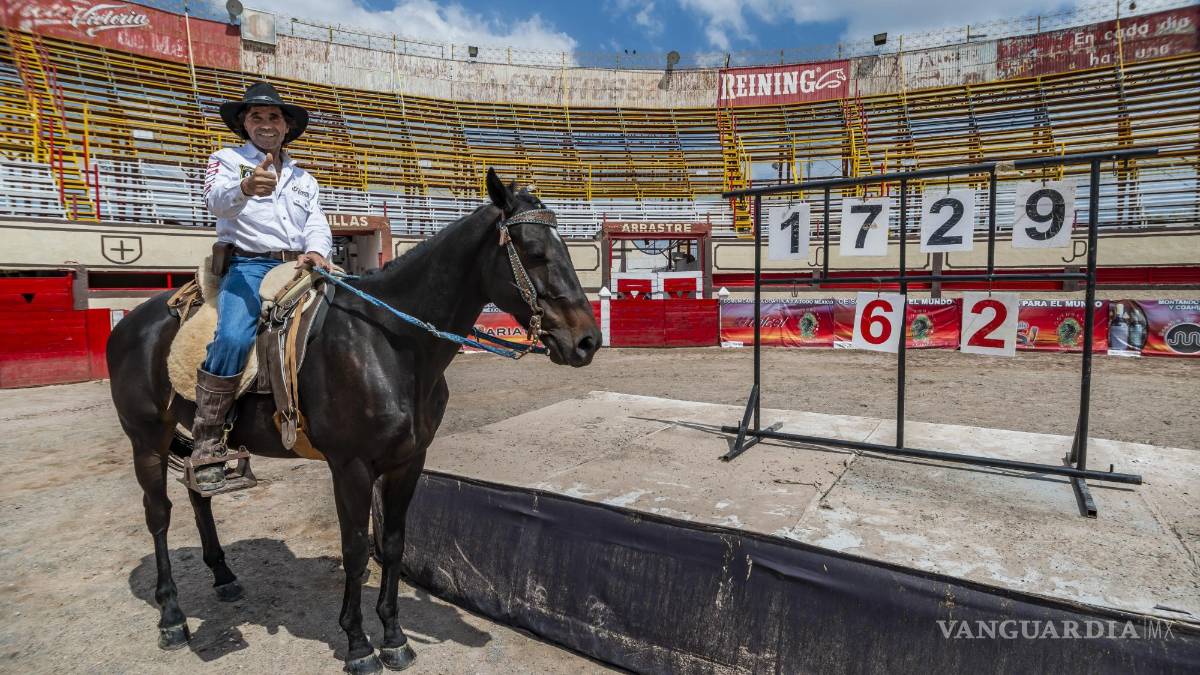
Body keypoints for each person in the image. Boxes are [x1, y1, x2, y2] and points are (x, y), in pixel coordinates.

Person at [191, 81, 333, 491]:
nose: (266, 124)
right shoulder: (225, 160)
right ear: (244, 123)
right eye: (257, 116)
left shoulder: (304, 177)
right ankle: (208, 440)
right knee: (234, 336)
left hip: (301, 265)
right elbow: (215, 202)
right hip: (249, 266)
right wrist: (244, 188)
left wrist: (319, 250)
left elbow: (316, 222)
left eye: (274, 117)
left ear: (287, 126)